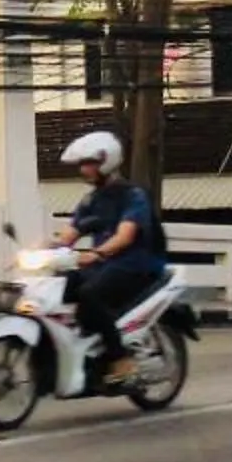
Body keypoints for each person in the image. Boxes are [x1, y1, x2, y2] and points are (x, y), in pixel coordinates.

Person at [55, 131, 168, 381]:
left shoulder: (133, 196)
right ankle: (83, 345)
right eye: (82, 164)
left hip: (136, 265)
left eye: (89, 163)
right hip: (106, 264)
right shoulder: (91, 200)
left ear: (106, 161)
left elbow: (125, 236)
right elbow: (69, 234)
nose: (84, 169)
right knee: (60, 285)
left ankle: (120, 358)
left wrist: (97, 253)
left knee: (89, 295)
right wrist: (40, 249)